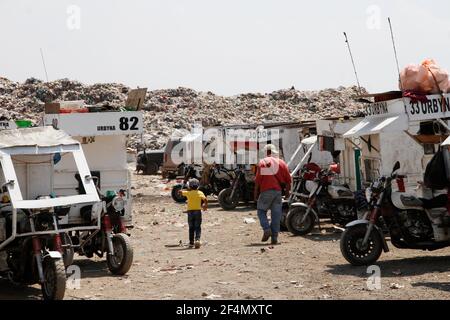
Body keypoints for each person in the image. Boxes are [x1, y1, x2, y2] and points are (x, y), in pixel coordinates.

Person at [254, 144, 292, 245]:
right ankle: (274, 237)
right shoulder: (282, 163)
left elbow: (258, 181)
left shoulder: (262, 163)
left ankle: (266, 229)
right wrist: (287, 193)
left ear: (266, 152)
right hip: (277, 193)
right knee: (276, 215)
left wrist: (255, 194)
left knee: (261, 211)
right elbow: (289, 180)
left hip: (265, 191)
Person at [178, 178, 208, 248]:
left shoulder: (188, 193)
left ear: (189, 186)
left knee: (191, 227)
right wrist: (205, 205)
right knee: (198, 227)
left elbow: (180, 192)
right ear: (198, 186)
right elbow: (205, 199)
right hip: (197, 211)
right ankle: (197, 240)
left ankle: (191, 242)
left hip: (190, 212)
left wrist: (185, 189)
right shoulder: (200, 192)